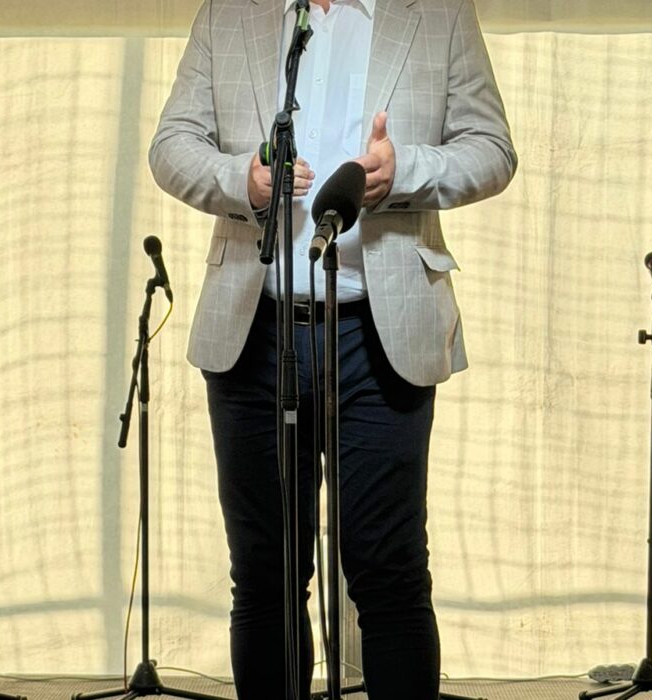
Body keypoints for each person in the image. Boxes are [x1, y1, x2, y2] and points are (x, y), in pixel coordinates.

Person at [149, 0, 516, 697]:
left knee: (388, 569)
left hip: (380, 333)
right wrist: (242, 181)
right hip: (255, 331)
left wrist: (403, 171)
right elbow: (172, 145)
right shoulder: (229, 14)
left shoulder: (438, 13)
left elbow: (492, 150)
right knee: (265, 572)